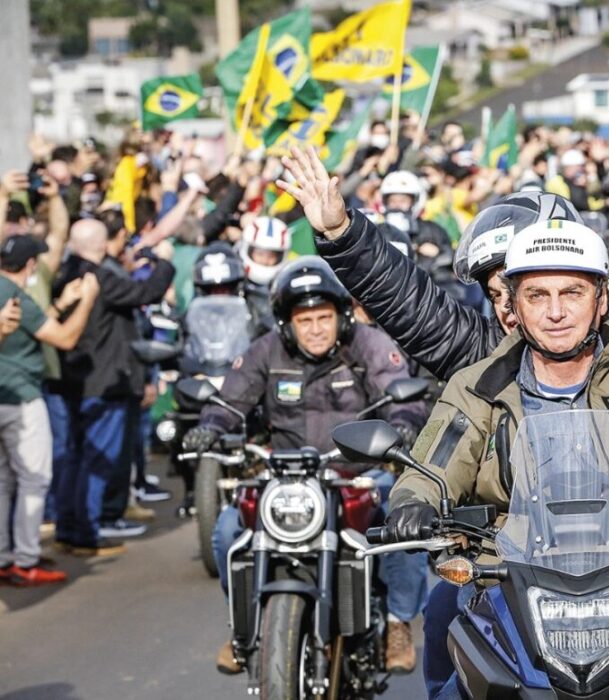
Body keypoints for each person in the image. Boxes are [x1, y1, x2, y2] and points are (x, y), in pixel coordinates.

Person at [276, 147, 609, 698]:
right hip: (517, 564)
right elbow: (420, 340)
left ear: (599, 293)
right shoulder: (485, 372)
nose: (544, 309)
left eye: (568, 291)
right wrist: (343, 233)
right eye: (514, 293)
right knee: (443, 621)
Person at [182, 257, 430, 676]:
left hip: (359, 474)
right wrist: (210, 427)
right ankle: (244, 624)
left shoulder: (368, 344)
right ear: (286, 324)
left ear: (341, 317)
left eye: (323, 317)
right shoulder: (266, 350)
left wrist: (403, 427)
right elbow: (230, 400)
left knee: (404, 524)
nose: (315, 328)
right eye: (304, 319)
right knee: (227, 531)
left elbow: (402, 396)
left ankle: (397, 623)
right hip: (286, 477)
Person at [51, 218, 175, 555]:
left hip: (75, 380)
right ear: (104, 245)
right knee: (95, 459)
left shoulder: (65, 273)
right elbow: (146, 292)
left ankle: (68, 528)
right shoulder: (100, 276)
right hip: (103, 384)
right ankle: (85, 535)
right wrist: (163, 260)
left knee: (76, 458)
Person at [0, 234, 99, 584]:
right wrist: (85, 301)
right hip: (21, 399)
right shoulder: (17, 297)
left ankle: (5, 556)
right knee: (34, 479)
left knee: (4, 481)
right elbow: (65, 338)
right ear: (29, 265)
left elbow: (31, 328)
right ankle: (25, 560)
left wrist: (60, 304)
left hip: (5, 396)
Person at [237, 216, 292, 332]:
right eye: (260, 253)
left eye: (271, 255)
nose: (265, 260)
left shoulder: (286, 284)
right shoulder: (235, 279)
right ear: (248, 249)